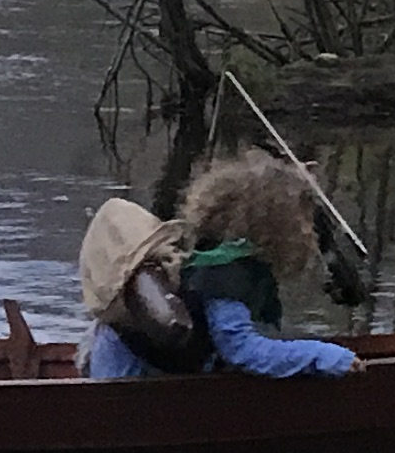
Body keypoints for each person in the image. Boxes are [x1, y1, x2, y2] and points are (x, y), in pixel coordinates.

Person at [83, 155, 360, 379]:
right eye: (302, 221)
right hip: (126, 376)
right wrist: (326, 356)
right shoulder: (227, 272)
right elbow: (242, 349)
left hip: (116, 355)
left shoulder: (216, 249)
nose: (307, 230)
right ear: (276, 225)